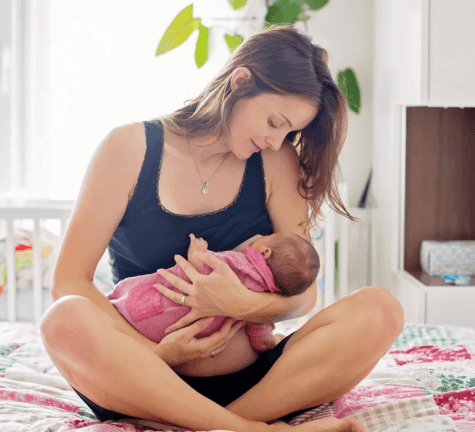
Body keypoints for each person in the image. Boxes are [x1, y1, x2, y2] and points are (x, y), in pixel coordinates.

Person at [40, 24, 404, 432]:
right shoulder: (127, 149)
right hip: (146, 378)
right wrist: (157, 352)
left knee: (381, 311)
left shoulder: (276, 163)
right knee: (63, 319)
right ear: (241, 80)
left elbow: (303, 296)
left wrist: (246, 306)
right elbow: (70, 280)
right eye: (273, 121)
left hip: (256, 386)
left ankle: (224, 424)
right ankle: (250, 430)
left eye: (289, 132)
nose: (275, 140)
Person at [107, 232, 319, 352]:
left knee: (129, 302)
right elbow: (261, 342)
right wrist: (276, 340)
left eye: (268, 235)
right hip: (171, 334)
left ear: (265, 252)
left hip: (154, 306)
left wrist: (197, 251)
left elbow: (201, 265)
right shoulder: (262, 305)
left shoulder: (239, 262)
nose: (262, 235)